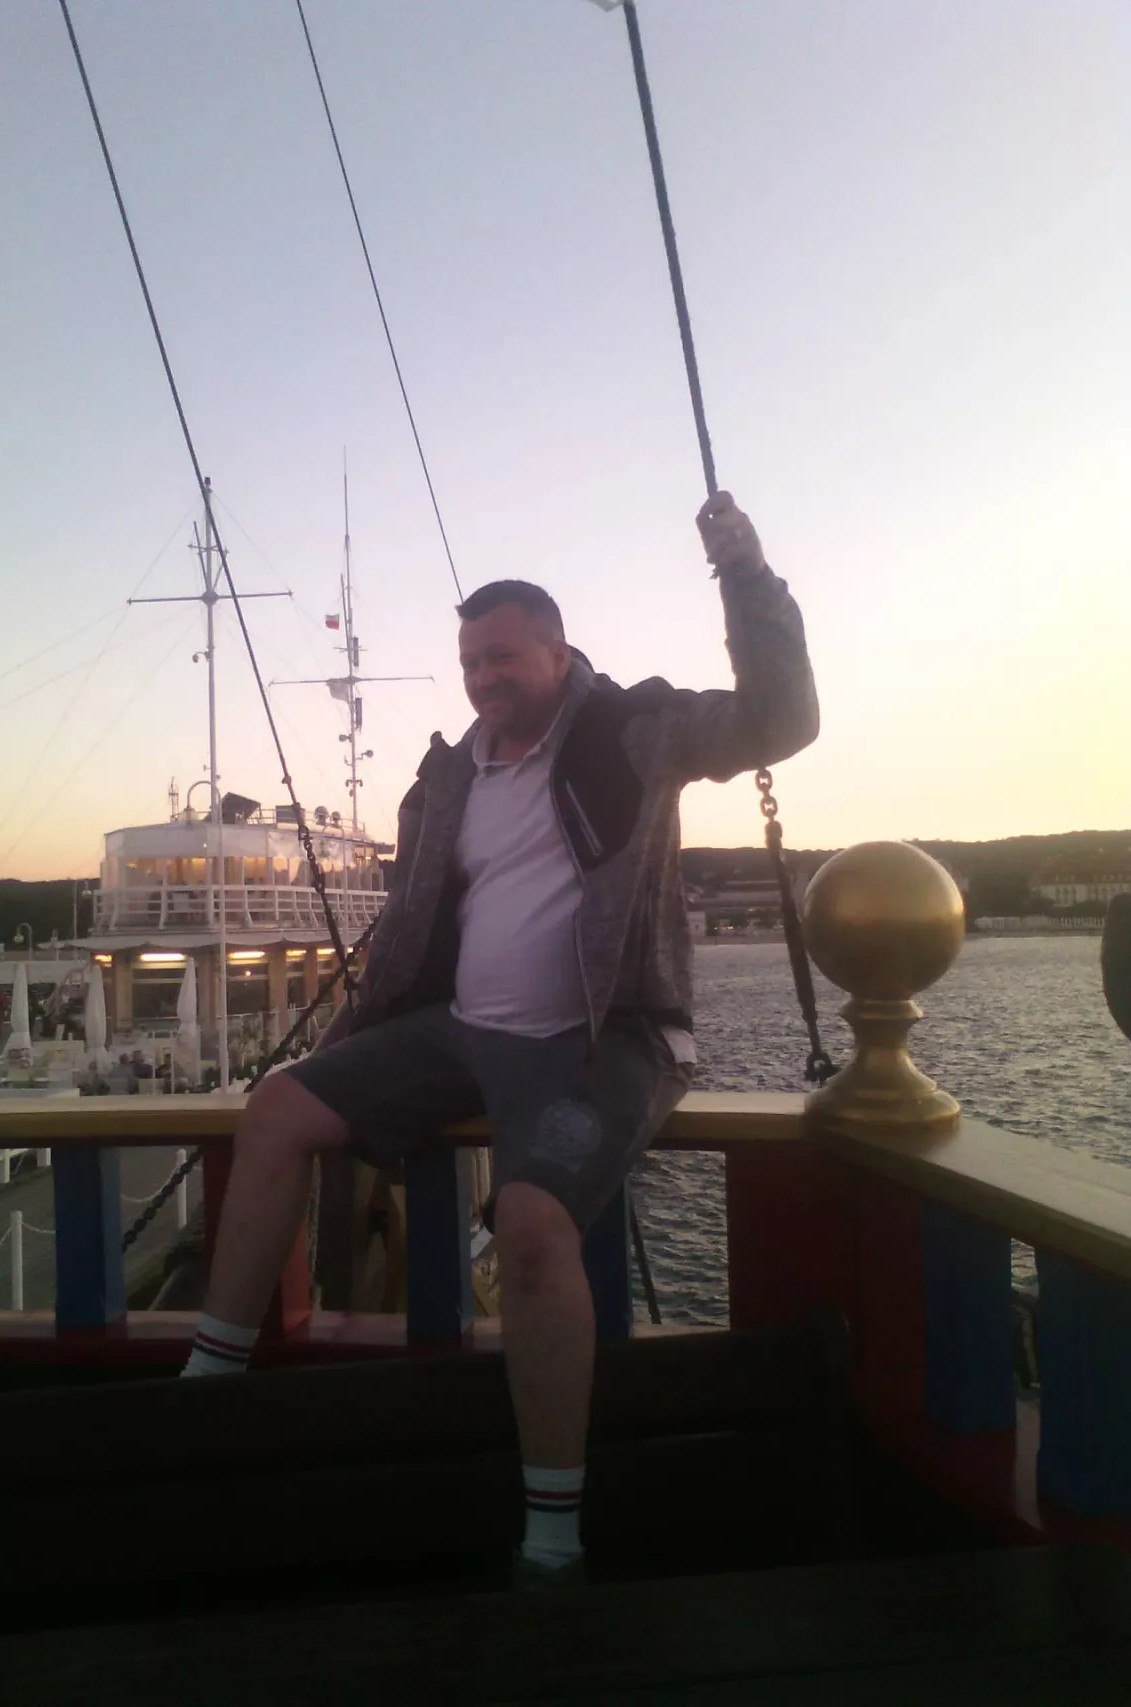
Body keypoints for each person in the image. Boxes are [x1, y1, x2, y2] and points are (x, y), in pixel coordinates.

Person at [181, 492, 819, 1580]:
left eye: (504, 657)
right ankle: (204, 1389)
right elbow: (414, 927)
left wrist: (745, 575)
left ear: (558, 652)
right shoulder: (448, 775)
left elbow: (780, 721)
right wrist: (358, 1030)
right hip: (459, 1032)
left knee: (530, 1225)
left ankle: (552, 1535)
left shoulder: (636, 729)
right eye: (471, 661)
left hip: (602, 1036)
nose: (484, 678)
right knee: (277, 1104)